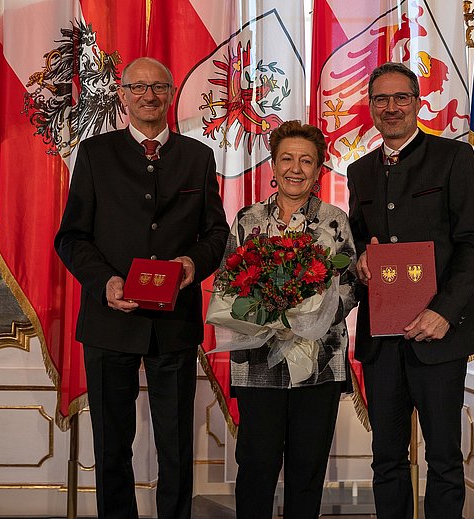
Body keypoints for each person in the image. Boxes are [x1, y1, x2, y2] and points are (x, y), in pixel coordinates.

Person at [54, 57, 229, 519]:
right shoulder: (94, 154)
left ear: (170, 95)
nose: (149, 96)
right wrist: (105, 282)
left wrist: (194, 262)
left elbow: (216, 234)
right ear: (122, 94)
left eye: (158, 88)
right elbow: (71, 237)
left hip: (174, 324)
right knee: (112, 446)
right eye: (139, 87)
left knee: (175, 447)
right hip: (109, 321)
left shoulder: (198, 156)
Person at [347, 62, 474, 519]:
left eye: (400, 98)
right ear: (370, 107)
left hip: (439, 334)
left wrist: (444, 311)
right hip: (382, 338)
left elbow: (472, 244)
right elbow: (355, 241)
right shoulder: (360, 171)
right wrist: (358, 261)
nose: (391, 108)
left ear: (417, 102)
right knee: (386, 458)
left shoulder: (453, 158)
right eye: (381, 100)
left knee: (443, 459)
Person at [220, 120, 357, 519]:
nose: (295, 169)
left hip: (319, 365)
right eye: (287, 159)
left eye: (306, 161)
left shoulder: (336, 221)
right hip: (257, 365)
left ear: (318, 170)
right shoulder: (248, 220)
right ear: (273, 166)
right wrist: (267, 314)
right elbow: (229, 285)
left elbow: (350, 287)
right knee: (257, 466)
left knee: (307, 469)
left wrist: (308, 315)